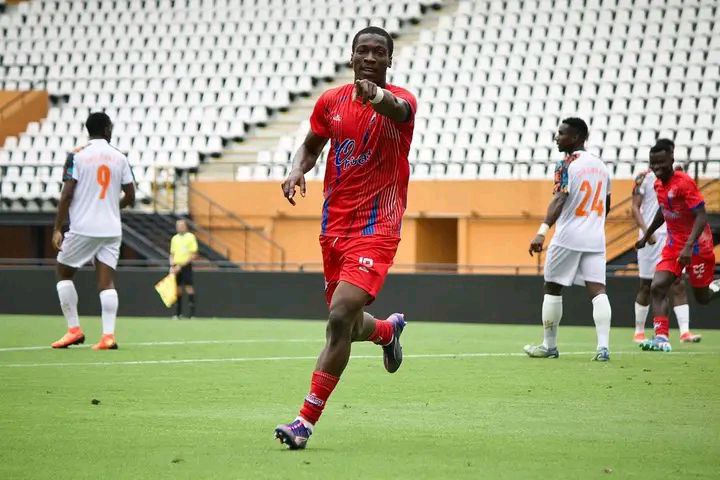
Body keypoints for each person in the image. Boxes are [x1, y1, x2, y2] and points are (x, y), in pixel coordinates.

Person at [274, 26, 417, 450]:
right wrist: (297, 169)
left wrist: (375, 96)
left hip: (378, 227)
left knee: (338, 317)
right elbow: (311, 144)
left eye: (378, 52)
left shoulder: (402, 100)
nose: (370, 58)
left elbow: (397, 110)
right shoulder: (331, 102)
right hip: (334, 227)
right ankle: (385, 332)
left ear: (389, 60)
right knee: (349, 323)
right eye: (363, 51)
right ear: (351, 56)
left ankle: (304, 422)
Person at [525, 118, 613, 361]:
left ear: (576, 137)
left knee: (553, 286)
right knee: (598, 289)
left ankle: (549, 346)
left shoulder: (566, 164)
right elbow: (607, 204)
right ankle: (603, 348)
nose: (557, 137)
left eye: (562, 133)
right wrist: (593, 224)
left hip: (568, 236)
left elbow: (560, 199)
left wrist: (542, 231)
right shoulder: (601, 166)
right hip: (595, 237)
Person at [51, 112, 135, 350]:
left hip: (83, 228)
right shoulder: (120, 157)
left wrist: (57, 228)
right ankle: (108, 336)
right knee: (106, 282)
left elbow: (67, 194)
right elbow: (130, 196)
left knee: (64, 273)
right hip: (111, 229)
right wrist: (112, 207)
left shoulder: (76, 156)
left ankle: (74, 330)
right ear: (107, 130)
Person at [635, 141, 720, 352]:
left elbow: (701, 216)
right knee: (657, 286)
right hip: (673, 245)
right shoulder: (657, 184)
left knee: (702, 298)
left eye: (661, 163)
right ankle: (661, 338)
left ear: (671, 160)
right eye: (653, 163)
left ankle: (716, 286)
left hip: (698, 246)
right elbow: (663, 211)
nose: (657, 167)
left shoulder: (684, 183)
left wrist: (689, 246)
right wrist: (647, 235)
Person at [170, 219, 198, 318]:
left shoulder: (190, 237)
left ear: (185, 226)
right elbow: (172, 254)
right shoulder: (174, 238)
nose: (179, 227)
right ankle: (178, 313)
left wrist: (181, 266)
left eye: (181, 225)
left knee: (189, 287)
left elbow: (193, 254)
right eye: (178, 226)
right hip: (176, 266)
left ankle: (192, 314)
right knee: (178, 289)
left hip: (186, 266)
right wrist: (172, 266)